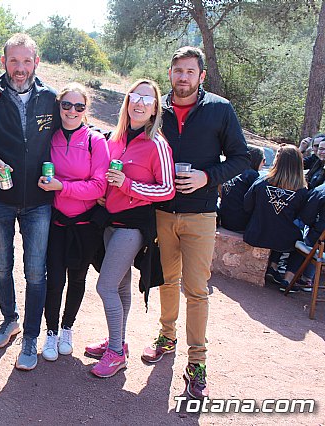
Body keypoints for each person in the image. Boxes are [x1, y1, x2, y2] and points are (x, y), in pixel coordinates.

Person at [141, 46, 249, 399]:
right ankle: (166, 336)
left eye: (190, 71)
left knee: (197, 290)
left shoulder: (219, 109)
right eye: (177, 71)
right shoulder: (159, 109)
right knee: (167, 281)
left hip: (201, 213)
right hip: (161, 211)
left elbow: (241, 158)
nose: (183, 77)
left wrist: (208, 177)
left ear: (201, 76)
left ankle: (197, 362)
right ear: (170, 73)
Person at [0, 33, 58, 370]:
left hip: (38, 202)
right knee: (1, 266)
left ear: (36, 62)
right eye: (13, 61)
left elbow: (72, 133)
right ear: (3, 62)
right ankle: (9, 320)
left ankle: (30, 336)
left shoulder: (51, 99)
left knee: (35, 272)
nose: (20, 68)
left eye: (26, 61)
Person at [83, 80, 174, 378]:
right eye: (134, 96)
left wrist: (129, 186)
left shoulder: (157, 144)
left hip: (134, 225)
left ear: (154, 108)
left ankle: (116, 354)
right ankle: (116, 341)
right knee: (120, 286)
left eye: (146, 99)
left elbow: (167, 190)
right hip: (109, 221)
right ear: (127, 102)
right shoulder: (115, 138)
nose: (139, 102)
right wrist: (102, 193)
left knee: (105, 286)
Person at [36, 83, 109, 362]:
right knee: (53, 280)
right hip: (56, 222)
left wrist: (61, 187)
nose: (72, 111)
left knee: (77, 279)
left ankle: (67, 328)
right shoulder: (49, 137)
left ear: (85, 109)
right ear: (59, 107)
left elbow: (99, 187)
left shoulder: (95, 141)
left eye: (79, 106)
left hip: (84, 225)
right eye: (66, 105)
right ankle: (51, 332)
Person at [243, 145, 308, 291]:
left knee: (280, 227)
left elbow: (247, 205)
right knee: (300, 244)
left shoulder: (261, 182)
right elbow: (303, 216)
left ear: (277, 161)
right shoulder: (302, 191)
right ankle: (287, 279)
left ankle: (272, 267)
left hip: (256, 233)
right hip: (283, 239)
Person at [218, 145, 265, 233]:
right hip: (240, 224)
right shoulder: (252, 175)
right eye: (263, 160)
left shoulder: (233, 171)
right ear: (256, 160)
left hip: (225, 220)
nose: (264, 164)